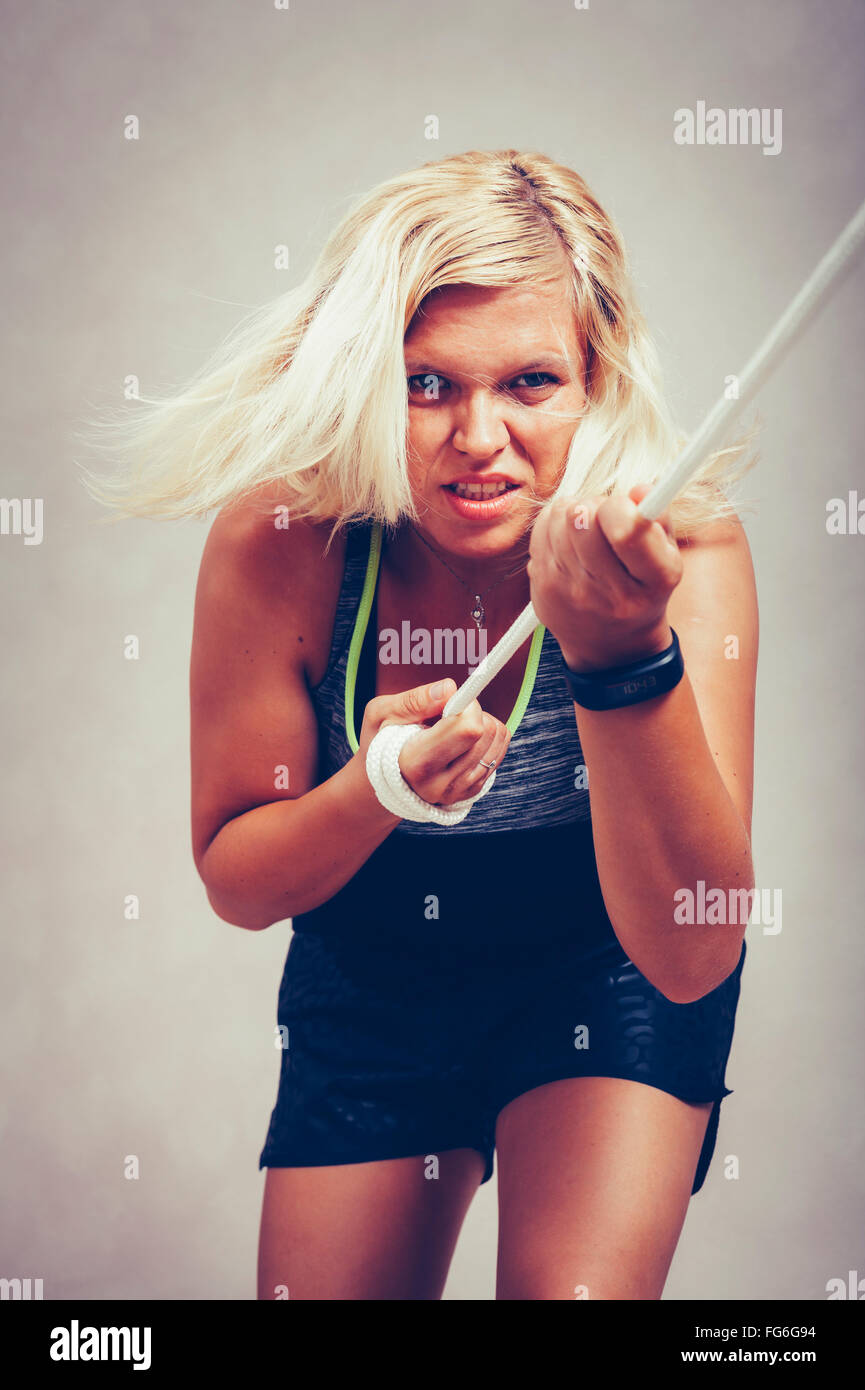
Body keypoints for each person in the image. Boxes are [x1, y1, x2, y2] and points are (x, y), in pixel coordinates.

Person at [85, 149, 759, 1300]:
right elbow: (241, 885)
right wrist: (375, 790)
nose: (478, 437)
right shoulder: (285, 540)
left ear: (593, 379)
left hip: (602, 957)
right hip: (379, 962)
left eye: (530, 383)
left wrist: (619, 658)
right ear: (363, 381)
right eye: (427, 383)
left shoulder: (678, 553)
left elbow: (691, 949)